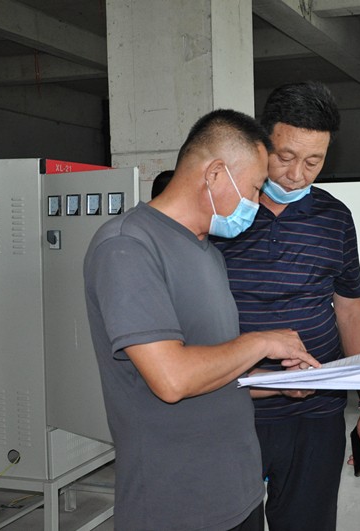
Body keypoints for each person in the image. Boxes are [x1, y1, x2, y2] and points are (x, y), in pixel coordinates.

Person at [83, 109, 320, 531]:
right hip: (176, 505)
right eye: (253, 188)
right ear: (214, 174)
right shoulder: (127, 247)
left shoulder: (208, 252)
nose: (255, 204)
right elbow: (172, 379)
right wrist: (262, 342)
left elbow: (214, 368)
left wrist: (278, 383)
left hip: (239, 493)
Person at [212, 82, 360, 531]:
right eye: (285, 157)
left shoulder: (335, 218)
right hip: (234, 408)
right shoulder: (223, 216)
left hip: (315, 413)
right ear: (261, 144)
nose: (297, 175)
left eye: (313, 161)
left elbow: (350, 309)